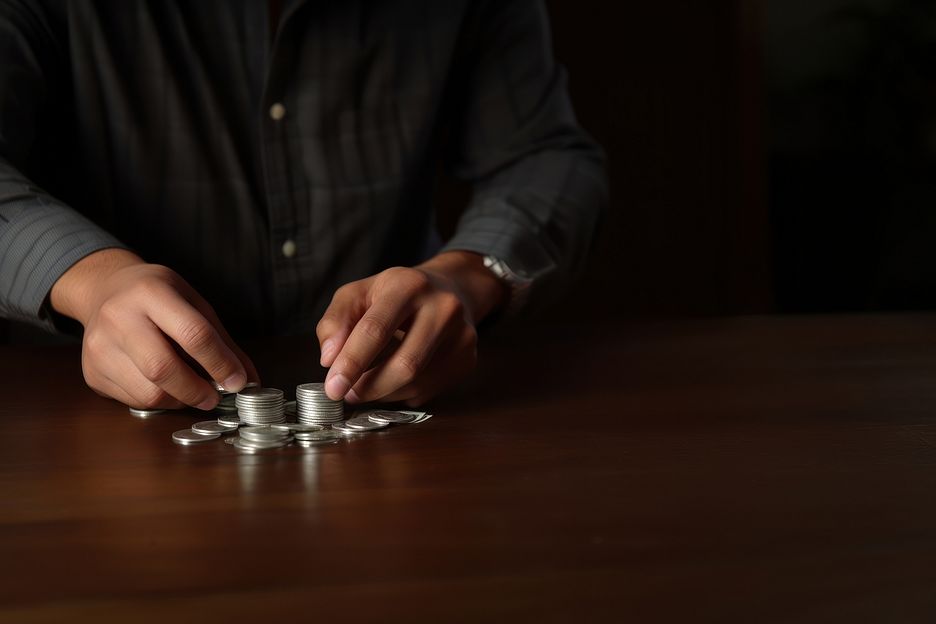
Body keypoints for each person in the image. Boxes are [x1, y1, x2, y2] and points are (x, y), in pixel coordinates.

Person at [0, 1, 606, 409]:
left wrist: (471, 275)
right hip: (84, 415)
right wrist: (89, 280)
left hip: (405, 413)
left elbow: (544, 156)